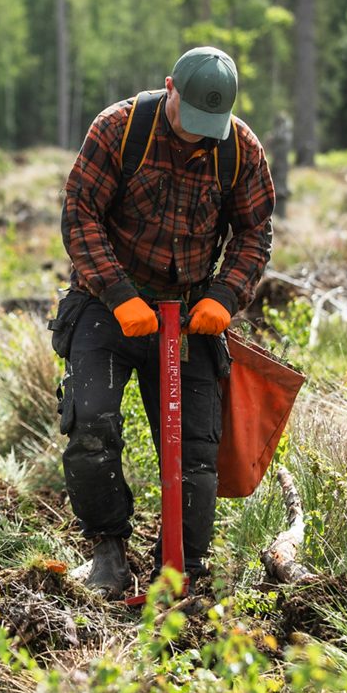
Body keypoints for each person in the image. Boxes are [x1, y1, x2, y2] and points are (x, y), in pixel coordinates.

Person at [58, 47, 276, 599]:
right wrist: (119, 295)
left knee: (196, 454)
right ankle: (108, 552)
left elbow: (255, 231)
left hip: (191, 315)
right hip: (109, 305)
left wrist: (225, 296)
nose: (199, 134)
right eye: (190, 118)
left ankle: (181, 570)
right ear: (169, 88)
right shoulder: (119, 129)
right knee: (91, 427)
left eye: (211, 124)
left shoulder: (239, 149)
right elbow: (80, 214)